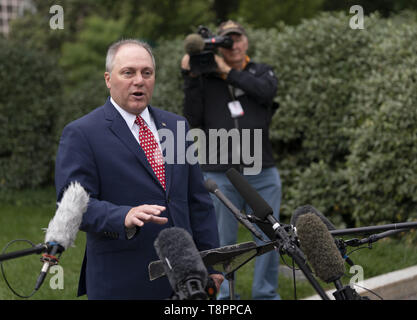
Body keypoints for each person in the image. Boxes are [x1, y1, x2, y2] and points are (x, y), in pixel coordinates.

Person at [55, 39, 223, 299]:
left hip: (185, 277)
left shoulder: (177, 126)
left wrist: (211, 263)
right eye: (128, 72)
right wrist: (123, 215)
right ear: (108, 79)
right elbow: (72, 205)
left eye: (147, 73)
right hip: (123, 278)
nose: (139, 80)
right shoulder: (82, 133)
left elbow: (197, 200)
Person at [181, 20, 282, 300]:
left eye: (236, 39)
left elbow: (266, 93)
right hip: (220, 172)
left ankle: (266, 294)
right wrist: (189, 77)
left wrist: (227, 72)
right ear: (218, 47)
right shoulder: (206, 79)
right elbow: (191, 119)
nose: (233, 45)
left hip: (261, 168)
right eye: (226, 41)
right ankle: (223, 298)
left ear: (246, 41)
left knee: (271, 237)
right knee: (220, 241)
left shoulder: (260, 71)